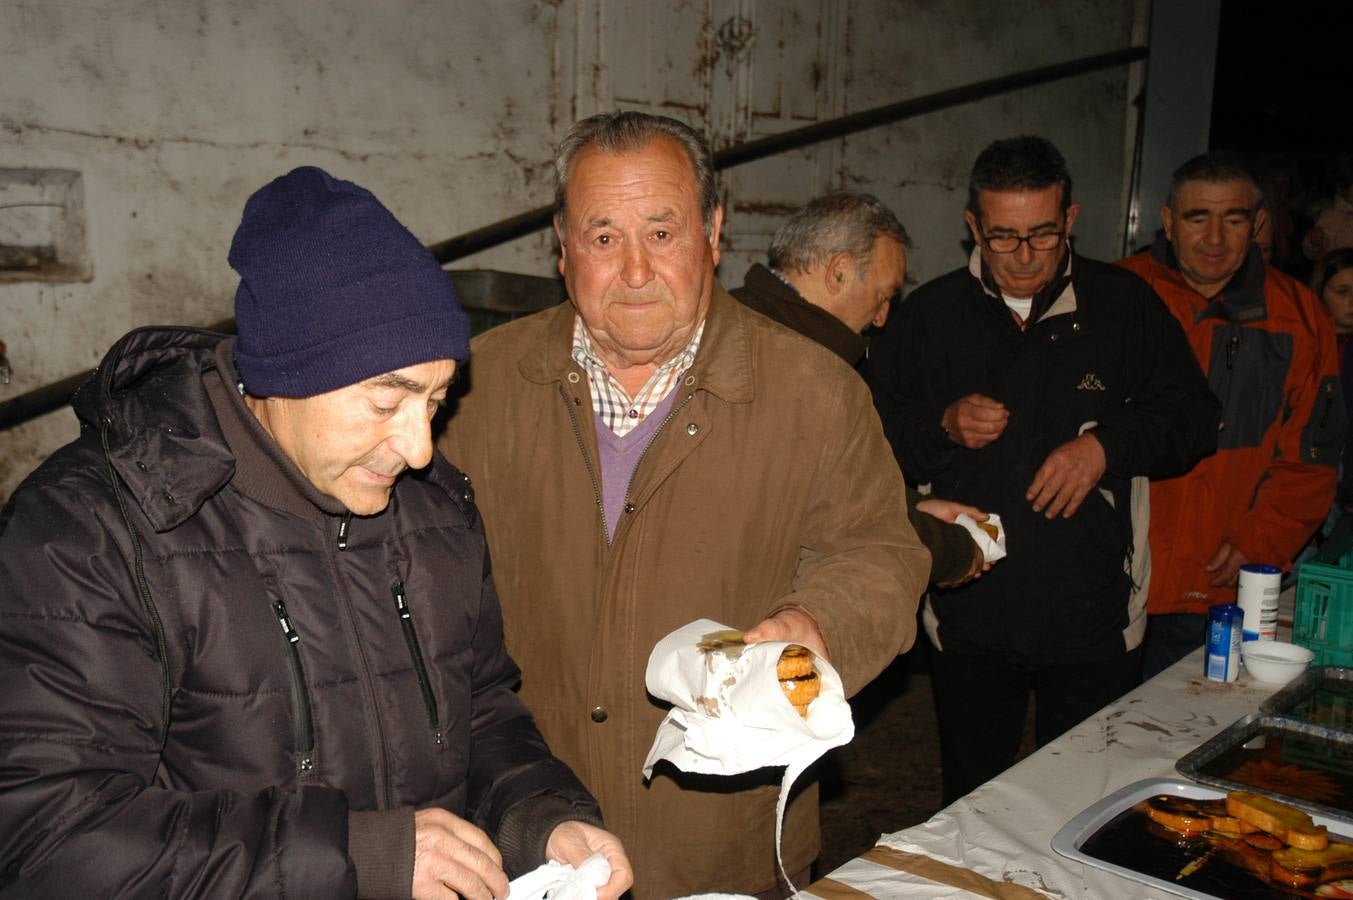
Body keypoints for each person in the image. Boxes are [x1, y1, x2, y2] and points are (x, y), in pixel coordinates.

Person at [0, 167, 632, 899]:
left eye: (435, 399)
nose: (421, 447)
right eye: (385, 399)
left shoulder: (432, 509)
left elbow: (481, 708)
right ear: (282, 374)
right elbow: (45, 837)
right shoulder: (92, 532)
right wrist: (358, 856)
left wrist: (539, 818)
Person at [439, 112, 930, 897]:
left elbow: (879, 554)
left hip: (725, 845)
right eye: (603, 238)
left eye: (662, 233)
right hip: (526, 835)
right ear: (561, 246)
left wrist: (816, 627)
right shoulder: (473, 388)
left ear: (712, 231)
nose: (634, 269)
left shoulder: (815, 391)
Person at [869, 136, 1218, 804]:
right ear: (973, 226)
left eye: (1042, 235)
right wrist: (941, 426)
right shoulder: (929, 317)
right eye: (1002, 238)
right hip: (967, 612)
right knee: (973, 798)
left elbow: (1193, 420)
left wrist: (1106, 447)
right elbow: (870, 446)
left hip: (1095, 615)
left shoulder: (1123, 306)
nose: (1023, 257)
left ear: (1071, 219)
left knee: (1084, 798)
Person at [1120, 152, 1345, 679]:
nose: (1215, 239)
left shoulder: (1301, 317)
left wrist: (1260, 540)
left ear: (1258, 223)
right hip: (1113, 578)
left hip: (1220, 584)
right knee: (1088, 741)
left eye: (1234, 219)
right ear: (1168, 220)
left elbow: (1313, 457)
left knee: (1178, 738)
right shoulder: (1116, 295)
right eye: (1198, 218)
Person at [731, 190, 989, 587]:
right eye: (883, 296)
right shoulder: (804, 367)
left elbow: (837, 480)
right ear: (839, 272)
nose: (883, 318)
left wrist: (918, 506)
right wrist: (956, 553)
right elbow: (849, 514)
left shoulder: (739, 317)